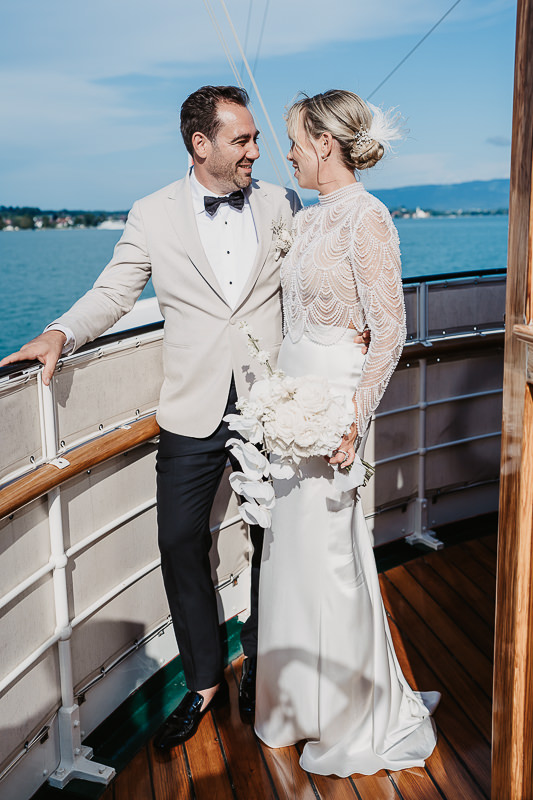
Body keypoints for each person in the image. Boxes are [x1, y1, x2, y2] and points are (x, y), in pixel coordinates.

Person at [0, 85, 304, 747]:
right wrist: (61, 332)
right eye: (242, 139)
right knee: (177, 542)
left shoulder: (282, 203)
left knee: (275, 536)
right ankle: (204, 681)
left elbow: (306, 289)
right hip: (191, 406)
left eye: (254, 138)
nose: (257, 151)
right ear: (201, 145)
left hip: (270, 402)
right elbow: (115, 290)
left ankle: (258, 656)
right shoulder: (151, 213)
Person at [254, 90, 438, 776]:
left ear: (325, 144)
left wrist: (352, 417)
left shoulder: (368, 218)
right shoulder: (305, 220)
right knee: (290, 558)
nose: (290, 152)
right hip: (289, 405)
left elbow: (389, 328)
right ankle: (292, 706)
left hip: (333, 411)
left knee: (332, 561)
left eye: (296, 140)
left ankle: (348, 712)